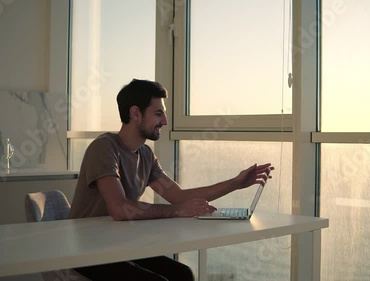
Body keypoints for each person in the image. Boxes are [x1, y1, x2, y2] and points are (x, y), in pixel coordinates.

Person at [69, 79, 273, 281]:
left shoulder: (145, 155)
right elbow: (120, 209)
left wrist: (235, 184)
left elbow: (178, 196)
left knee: (183, 274)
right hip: (87, 250)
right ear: (135, 114)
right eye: (158, 114)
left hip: (119, 244)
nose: (165, 121)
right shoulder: (104, 148)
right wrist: (176, 211)